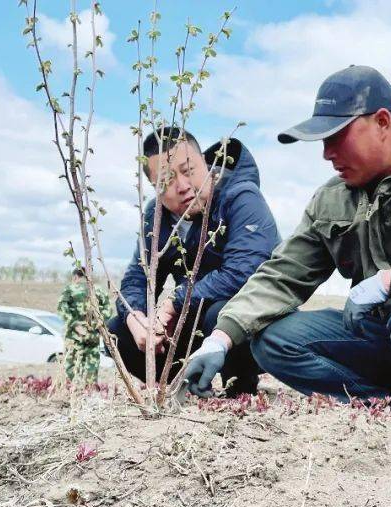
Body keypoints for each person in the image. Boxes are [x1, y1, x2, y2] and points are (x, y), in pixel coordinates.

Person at [183, 66, 391, 413]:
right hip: (382, 339)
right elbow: (282, 275)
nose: (327, 154)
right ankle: (385, 405)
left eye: (336, 136)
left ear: (383, 122)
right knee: (271, 338)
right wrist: (219, 339)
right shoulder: (331, 198)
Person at [107, 128, 278, 395]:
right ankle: (181, 386)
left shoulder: (242, 197)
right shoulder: (156, 215)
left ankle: (241, 392)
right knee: (117, 329)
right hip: (196, 319)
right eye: (166, 180)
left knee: (220, 311)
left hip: (253, 321)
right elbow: (137, 278)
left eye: (189, 170)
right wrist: (136, 318)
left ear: (205, 163)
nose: (183, 185)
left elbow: (245, 273)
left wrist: (176, 302)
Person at [58, 267, 111, 385]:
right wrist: (97, 325)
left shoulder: (70, 289)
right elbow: (108, 310)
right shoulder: (98, 290)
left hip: (74, 336)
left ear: (75, 277)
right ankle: (89, 391)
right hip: (93, 335)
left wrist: (75, 325)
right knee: (92, 364)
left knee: (71, 364)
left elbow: (61, 308)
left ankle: (74, 390)